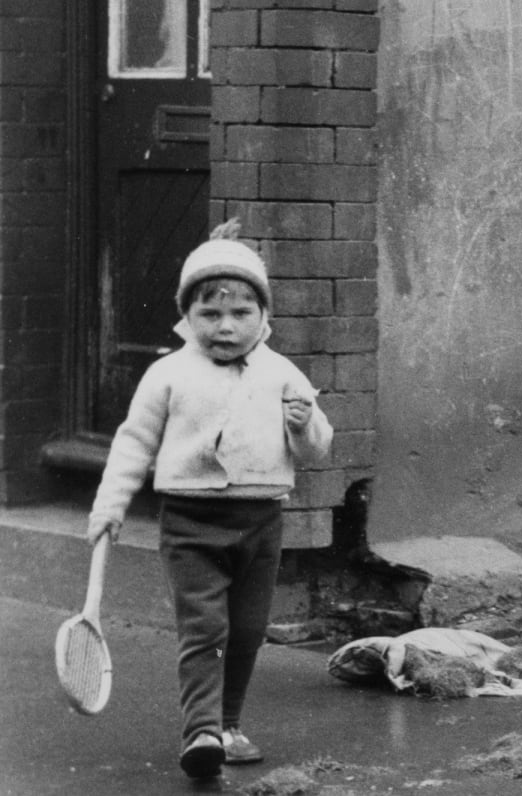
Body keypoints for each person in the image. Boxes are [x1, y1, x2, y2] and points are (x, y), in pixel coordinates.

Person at [86, 227, 333, 780]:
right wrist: (110, 506)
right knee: (205, 629)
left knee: (247, 630)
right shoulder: (168, 374)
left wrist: (304, 424)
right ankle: (200, 731)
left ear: (263, 315)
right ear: (187, 315)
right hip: (190, 522)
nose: (225, 326)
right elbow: (133, 444)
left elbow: (318, 446)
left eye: (241, 312)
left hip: (260, 521)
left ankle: (229, 724)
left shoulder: (281, 372)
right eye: (209, 313)